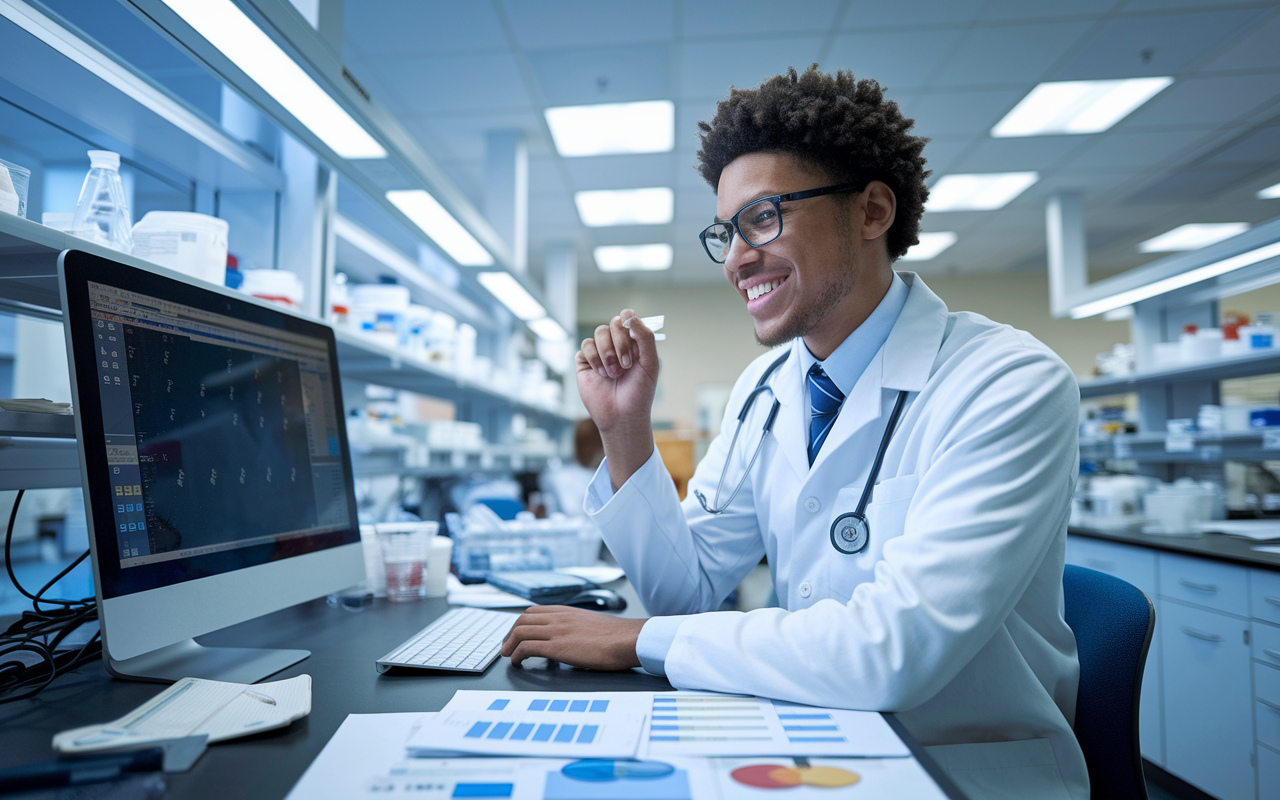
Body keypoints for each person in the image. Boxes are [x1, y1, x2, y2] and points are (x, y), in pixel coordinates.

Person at [502, 65, 1085, 800]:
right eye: (727, 231)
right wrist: (624, 432)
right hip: (812, 745)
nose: (738, 257)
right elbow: (686, 591)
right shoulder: (766, 392)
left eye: (764, 216)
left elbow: (894, 650)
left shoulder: (1005, 383)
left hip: (965, 769)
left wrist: (635, 639)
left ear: (872, 211)